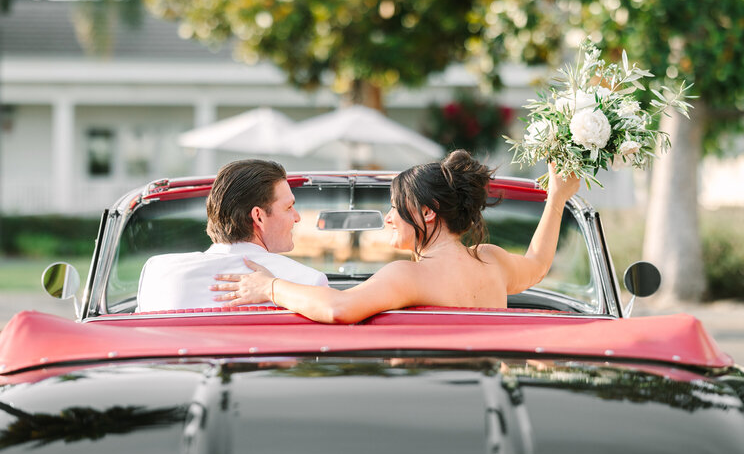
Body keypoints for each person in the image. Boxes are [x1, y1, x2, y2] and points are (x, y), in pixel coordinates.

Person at [209, 150, 580, 323]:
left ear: (427, 212)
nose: (388, 218)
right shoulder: (492, 260)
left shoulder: (409, 276)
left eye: (394, 206)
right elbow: (538, 264)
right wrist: (558, 197)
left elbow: (338, 309)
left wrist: (269, 287)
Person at [135, 159, 327, 312]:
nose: (297, 217)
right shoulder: (308, 284)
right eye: (289, 207)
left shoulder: (157, 274)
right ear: (258, 217)